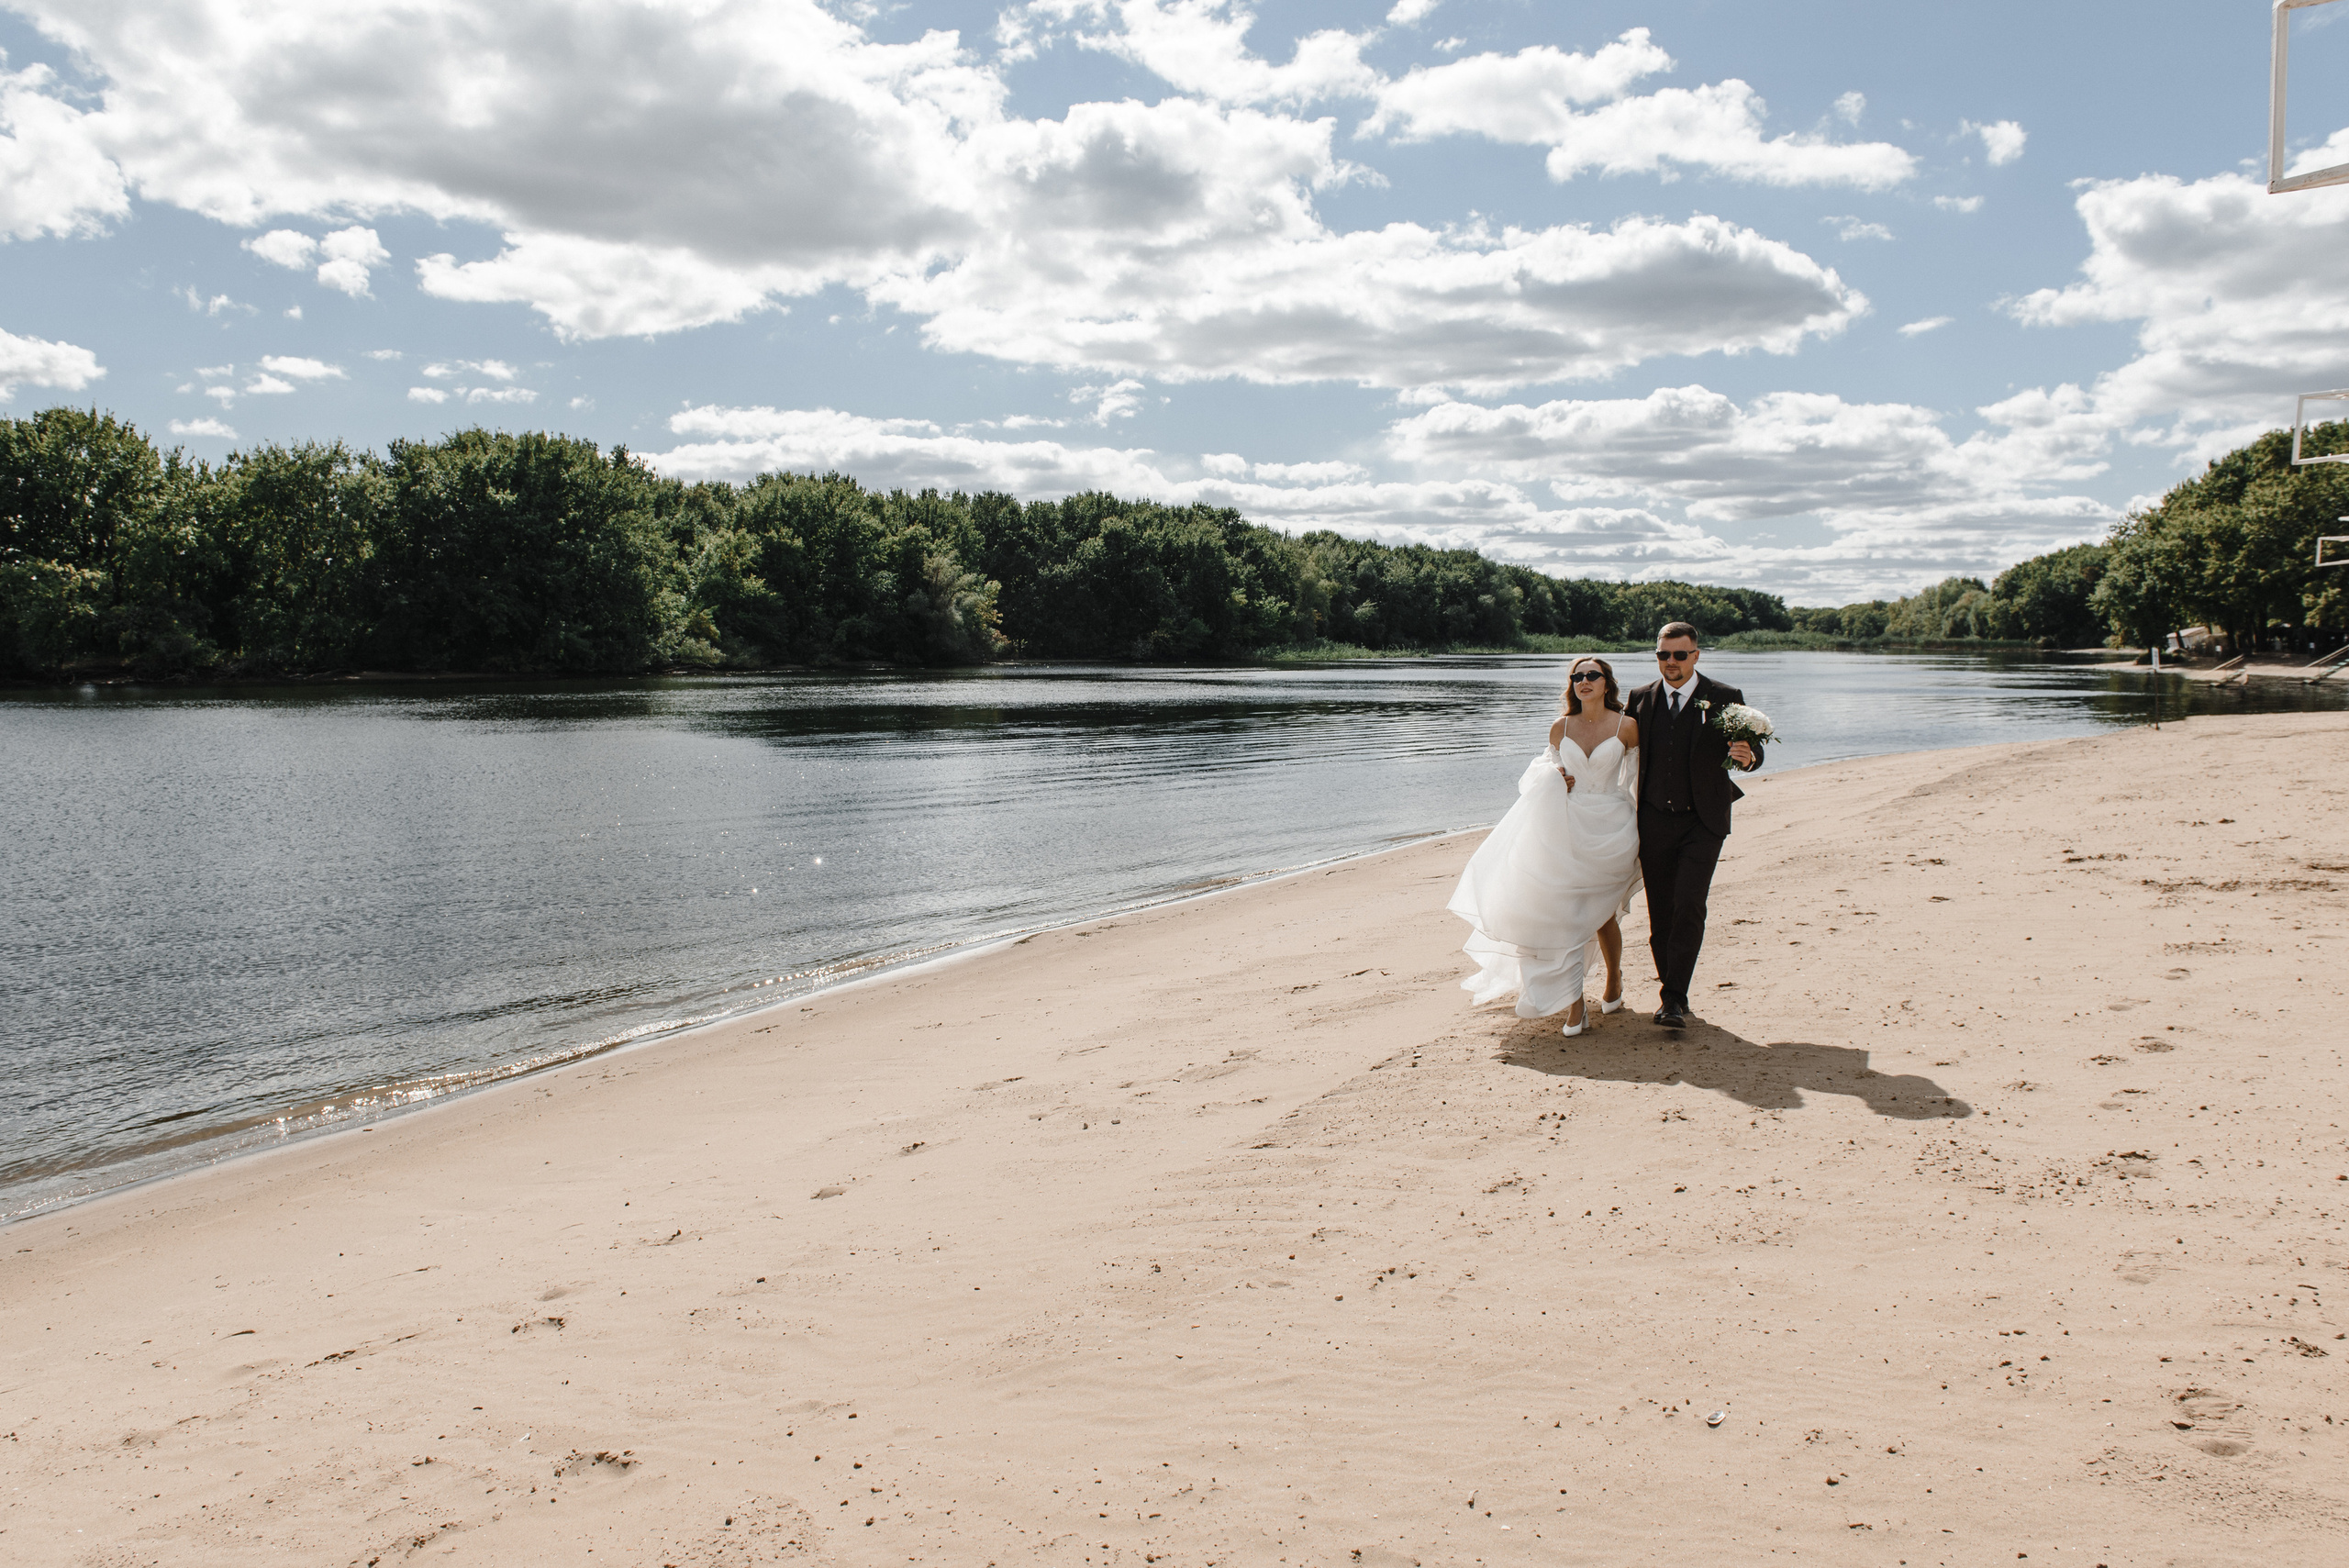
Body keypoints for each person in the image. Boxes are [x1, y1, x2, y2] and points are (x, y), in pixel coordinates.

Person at [1447, 657, 1642, 1036]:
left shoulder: (1627, 726)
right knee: (1566, 915)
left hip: (1612, 829)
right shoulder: (1560, 727)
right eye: (1577, 676)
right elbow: (1539, 772)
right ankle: (1575, 1004)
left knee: (1603, 914)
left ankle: (1614, 979)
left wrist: (1644, 829)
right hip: (1565, 826)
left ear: (1606, 683)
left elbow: (1635, 780)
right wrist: (1554, 777)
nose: (1584, 681)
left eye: (1592, 675)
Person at [1620, 622, 1762, 1029]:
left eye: (1680, 655)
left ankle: (1673, 999)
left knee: (1689, 905)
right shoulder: (1640, 698)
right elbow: (1618, 747)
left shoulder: (1725, 697)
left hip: (1704, 820)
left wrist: (1748, 757)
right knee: (1661, 912)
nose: (1671, 662)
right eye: (1663, 654)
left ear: (1696, 656)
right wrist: (1566, 772)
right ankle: (1672, 991)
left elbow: (1751, 749)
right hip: (1652, 820)